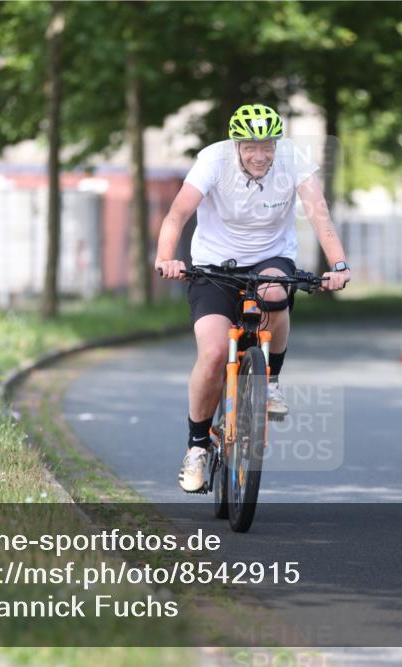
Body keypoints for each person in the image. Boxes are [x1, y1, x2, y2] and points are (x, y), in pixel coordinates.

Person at [154, 103, 351, 493]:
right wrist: (165, 258)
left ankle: (270, 380)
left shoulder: (294, 160)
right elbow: (177, 214)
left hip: (270, 258)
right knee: (212, 355)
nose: (259, 155)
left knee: (276, 291)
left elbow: (320, 216)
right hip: (213, 265)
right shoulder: (213, 160)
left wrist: (339, 265)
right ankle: (196, 447)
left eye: (267, 146)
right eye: (250, 147)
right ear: (236, 144)